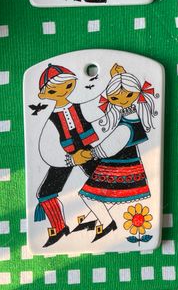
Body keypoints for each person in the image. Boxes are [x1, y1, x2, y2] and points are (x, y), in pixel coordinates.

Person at [74, 64, 157, 242]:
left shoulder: (127, 125)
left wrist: (92, 153)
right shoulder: (132, 115)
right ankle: (94, 219)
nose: (122, 100)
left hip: (118, 167)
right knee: (106, 195)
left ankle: (106, 223)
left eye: (127, 95)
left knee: (89, 195)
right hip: (127, 164)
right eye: (115, 97)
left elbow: (112, 145)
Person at [35, 64, 98, 247]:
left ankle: (99, 218)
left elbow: (101, 104)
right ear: (43, 95)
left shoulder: (82, 107)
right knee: (45, 192)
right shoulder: (51, 120)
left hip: (88, 151)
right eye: (54, 90)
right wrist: (70, 159)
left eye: (67, 85)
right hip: (66, 156)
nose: (62, 91)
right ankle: (60, 227)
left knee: (104, 179)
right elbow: (47, 149)